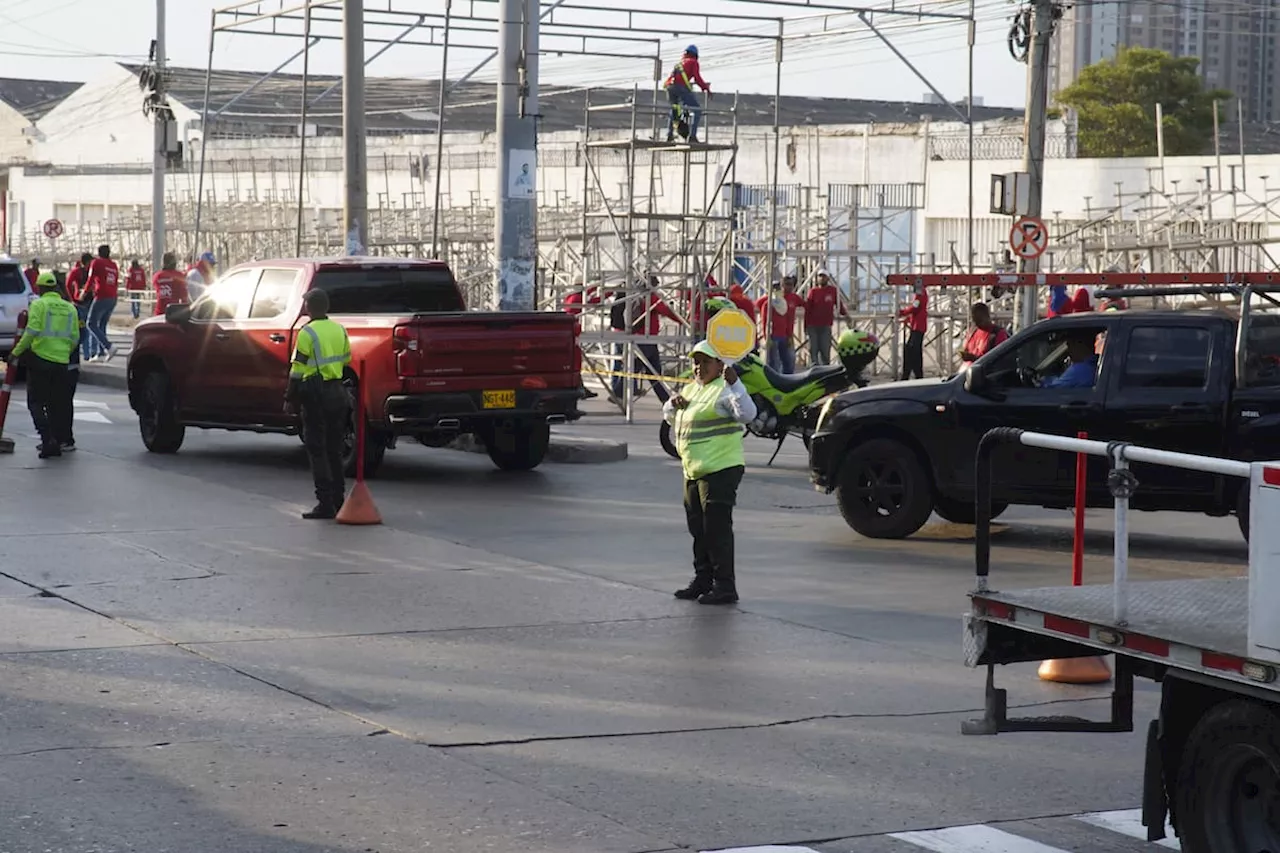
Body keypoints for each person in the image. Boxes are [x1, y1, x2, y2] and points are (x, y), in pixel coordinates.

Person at [664, 340, 757, 605]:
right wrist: (672, 404)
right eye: (696, 361)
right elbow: (669, 417)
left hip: (721, 468)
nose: (699, 367)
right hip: (693, 470)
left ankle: (725, 586)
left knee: (716, 529)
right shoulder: (692, 389)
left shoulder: (724, 390)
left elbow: (748, 415)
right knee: (698, 528)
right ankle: (703, 579)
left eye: (706, 362)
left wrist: (736, 384)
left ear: (720, 365)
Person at [285, 289, 352, 520]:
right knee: (335, 449)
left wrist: (289, 398)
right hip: (337, 391)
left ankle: (324, 503)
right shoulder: (339, 330)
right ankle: (338, 499)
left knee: (316, 448)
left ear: (310, 308)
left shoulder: (307, 333)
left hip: (315, 394)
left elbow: (297, 370)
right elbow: (346, 359)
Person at [7, 271, 78, 458]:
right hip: (61, 362)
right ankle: (56, 439)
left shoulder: (38, 305)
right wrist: (63, 352)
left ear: (39, 288)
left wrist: (16, 352)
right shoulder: (70, 308)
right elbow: (74, 338)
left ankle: (47, 440)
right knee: (55, 403)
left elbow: (31, 332)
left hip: (40, 360)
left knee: (36, 403)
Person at [611, 276, 678, 403]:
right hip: (645, 339)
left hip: (641, 338)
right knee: (647, 370)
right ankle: (618, 392)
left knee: (649, 370)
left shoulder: (635, 296)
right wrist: (684, 322)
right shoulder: (650, 297)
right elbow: (666, 311)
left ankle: (665, 399)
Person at [663, 44, 711, 143]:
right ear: (695, 55)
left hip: (669, 87)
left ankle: (669, 135)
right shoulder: (693, 62)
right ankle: (692, 136)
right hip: (680, 88)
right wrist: (705, 88)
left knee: (675, 109)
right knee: (697, 110)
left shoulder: (680, 63)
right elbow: (697, 78)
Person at [757, 277, 803, 373]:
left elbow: (788, 320)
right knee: (774, 363)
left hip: (784, 335)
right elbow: (765, 321)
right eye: (774, 287)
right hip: (773, 336)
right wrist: (767, 337)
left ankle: (788, 381)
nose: (776, 290)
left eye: (777, 287)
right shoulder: (768, 303)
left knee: (788, 361)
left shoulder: (784, 303)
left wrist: (789, 335)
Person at [84, 244, 119, 362]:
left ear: (99, 253)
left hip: (102, 296)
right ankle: (100, 353)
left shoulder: (97, 263)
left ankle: (108, 346)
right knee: (102, 325)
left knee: (90, 323)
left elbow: (91, 278)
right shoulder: (114, 265)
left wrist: (84, 292)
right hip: (113, 297)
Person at [804, 270, 846, 365]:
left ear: (828, 278)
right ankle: (814, 372)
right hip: (813, 326)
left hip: (825, 325)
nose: (821, 278)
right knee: (813, 350)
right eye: (820, 276)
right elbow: (808, 310)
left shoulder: (832, 290)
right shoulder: (813, 291)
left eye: (824, 276)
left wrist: (845, 315)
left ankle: (825, 373)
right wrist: (805, 326)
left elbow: (839, 304)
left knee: (825, 351)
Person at [898, 281, 928, 380]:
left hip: (917, 327)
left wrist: (903, 312)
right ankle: (915, 373)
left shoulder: (920, 295)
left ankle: (909, 374)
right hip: (918, 326)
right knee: (914, 350)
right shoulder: (922, 294)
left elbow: (915, 308)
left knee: (912, 350)